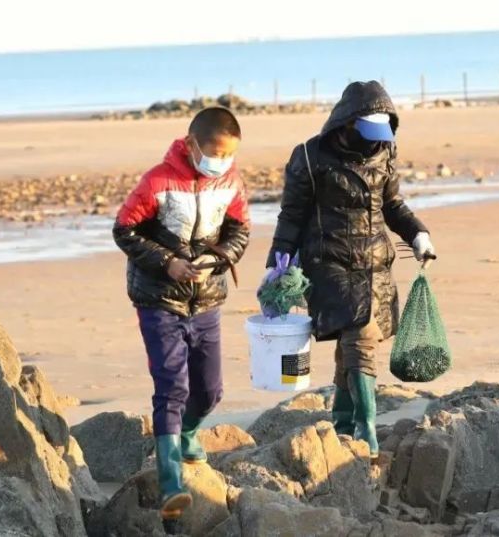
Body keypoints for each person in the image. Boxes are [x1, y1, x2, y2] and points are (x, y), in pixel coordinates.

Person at [263, 80, 434, 458]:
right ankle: (367, 425)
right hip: (329, 262)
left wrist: (418, 234)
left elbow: (392, 206)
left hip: (375, 263)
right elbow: (292, 215)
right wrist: (277, 262)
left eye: (381, 134)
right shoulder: (309, 157)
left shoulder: (385, 152)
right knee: (360, 335)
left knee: (354, 340)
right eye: (368, 133)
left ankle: (342, 419)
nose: (374, 141)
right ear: (347, 124)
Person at [113, 107, 250, 518]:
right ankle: (171, 481)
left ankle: (189, 433)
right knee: (172, 385)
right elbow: (124, 229)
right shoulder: (157, 181)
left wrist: (221, 257)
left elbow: (240, 229)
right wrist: (167, 263)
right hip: (159, 300)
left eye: (229, 155)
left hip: (207, 299)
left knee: (210, 390)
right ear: (191, 145)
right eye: (215, 153)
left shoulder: (230, 181)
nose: (221, 162)